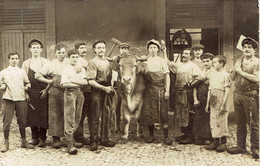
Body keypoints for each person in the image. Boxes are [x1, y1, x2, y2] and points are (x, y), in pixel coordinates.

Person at [227, 37, 259, 159]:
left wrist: (240, 71)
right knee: (240, 122)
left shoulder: (256, 62)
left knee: (253, 123)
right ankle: (241, 146)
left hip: (250, 96)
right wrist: (233, 71)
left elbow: (257, 79)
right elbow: (233, 78)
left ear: (254, 50)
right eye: (245, 47)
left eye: (249, 47)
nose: (247, 49)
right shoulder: (239, 61)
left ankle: (255, 147)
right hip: (238, 95)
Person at [35, 44, 69, 149]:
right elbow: (37, 75)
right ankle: (56, 138)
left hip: (68, 89)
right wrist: (48, 81)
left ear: (66, 52)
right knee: (55, 114)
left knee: (68, 113)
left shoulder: (69, 62)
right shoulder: (51, 64)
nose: (61, 55)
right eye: (59, 52)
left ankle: (69, 138)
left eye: (63, 52)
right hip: (55, 90)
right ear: (55, 53)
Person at [0, 52, 34, 152]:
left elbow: (28, 83)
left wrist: (26, 87)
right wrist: (2, 86)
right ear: (9, 60)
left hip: (21, 98)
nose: (14, 60)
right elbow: (1, 85)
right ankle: (6, 143)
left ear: (18, 60)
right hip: (8, 99)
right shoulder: (3, 72)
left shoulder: (22, 71)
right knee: (7, 122)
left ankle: (23, 142)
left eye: (16, 58)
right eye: (12, 58)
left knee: (22, 121)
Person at [168, 48, 203, 144]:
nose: (184, 55)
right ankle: (184, 133)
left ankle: (190, 136)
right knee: (179, 113)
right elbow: (169, 64)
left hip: (188, 93)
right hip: (178, 92)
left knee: (188, 113)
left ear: (191, 56)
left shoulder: (193, 66)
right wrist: (164, 50)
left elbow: (201, 77)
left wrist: (190, 84)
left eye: (186, 54)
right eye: (183, 53)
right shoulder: (179, 65)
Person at [86, 40, 116, 151]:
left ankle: (104, 139)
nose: (101, 50)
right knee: (95, 116)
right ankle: (93, 140)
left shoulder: (108, 62)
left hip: (107, 91)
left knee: (106, 115)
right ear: (94, 50)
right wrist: (104, 88)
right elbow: (90, 81)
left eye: (103, 47)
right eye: (99, 48)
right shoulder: (92, 63)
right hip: (96, 91)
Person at [141, 39, 172, 145]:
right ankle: (151, 135)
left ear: (158, 49)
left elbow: (167, 77)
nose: (152, 49)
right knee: (149, 112)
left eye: (154, 47)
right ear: (148, 50)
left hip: (161, 89)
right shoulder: (145, 62)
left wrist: (167, 90)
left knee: (163, 112)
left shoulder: (162, 61)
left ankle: (166, 136)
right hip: (149, 90)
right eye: (150, 48)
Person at [22, 39, 50, 147]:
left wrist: (47, 90)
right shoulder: (26, 63)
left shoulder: (46, 62)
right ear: (30, 49)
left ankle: (43, 138)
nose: (35, 50)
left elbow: (51, 78)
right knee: (32, 115)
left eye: (37, 48)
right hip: (31, 92)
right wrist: (26, 93)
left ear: (41, 49)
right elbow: (23, 80)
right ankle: (35, 138)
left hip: (43, 92)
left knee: (43, 115)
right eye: (33, 48)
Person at [61, 49, 88, 154]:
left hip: (80, 93)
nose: (75, 59)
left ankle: (70, 139)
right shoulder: (66, 69)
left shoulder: (81, 69)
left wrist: (73, 82)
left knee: (78, 116)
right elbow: (64, 84)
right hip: (70, 93)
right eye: (73, 57)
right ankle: (70, 144)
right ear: (69, 58)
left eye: (76, 57)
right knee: (69, 117)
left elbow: (85, 82)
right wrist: (79, 83)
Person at [205, 55, 231, 152]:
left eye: (215, 62)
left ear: (221, 64)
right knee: (213, 119)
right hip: (213, 98)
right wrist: (207, 104)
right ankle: (215, 140)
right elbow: (209, 90)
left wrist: (224, 104)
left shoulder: (225, 75)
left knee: (222, 119)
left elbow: (227, 90)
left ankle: (223, 141)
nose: (213, 64)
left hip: (221, 98)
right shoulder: (212, 74)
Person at [192, 53, 214, 145]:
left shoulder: (214, 72)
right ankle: (198, 137)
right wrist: (195, 99)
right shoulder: (200, 71)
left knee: (208, 118)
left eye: (208, 61)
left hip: (210, 98)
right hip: (200, 98)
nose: (206, 63)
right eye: (204, 61)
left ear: (212, 61)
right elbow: (195, 87)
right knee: (198, 117)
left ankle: (208, 137)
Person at [73, 42, 91, 145]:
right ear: (77, 50)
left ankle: (81, 135)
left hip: (88, 90)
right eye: (81, 48)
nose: (84, 50)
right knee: (80, 114)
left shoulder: (85, 60)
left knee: (84, 113)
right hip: (80, 90)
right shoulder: (77, 61)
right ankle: (78, 136)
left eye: (85, 48)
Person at [112, 43, 131, 132]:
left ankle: (126, 126)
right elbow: (114, 69)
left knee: (126, 106)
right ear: (119, 50)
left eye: (126, 48)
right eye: (122, 48)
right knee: (116, 106)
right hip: (117, 85)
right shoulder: (116, 59)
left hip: (127, 86)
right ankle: (117, 126)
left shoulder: (130, 59)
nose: (124, 50)